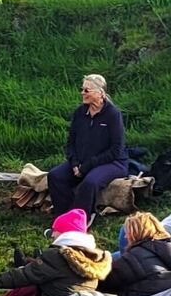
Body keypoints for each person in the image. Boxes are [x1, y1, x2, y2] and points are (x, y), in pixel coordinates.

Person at [0, 209, 112, 296]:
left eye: (55, 231)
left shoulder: (56, 256)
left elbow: (17, 278)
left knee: (25, 294)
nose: (52, 236)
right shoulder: (95, 257)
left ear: (64, 234)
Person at [47, 74, 128, 223]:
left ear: (100, 93)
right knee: (55, 176)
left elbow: (116, 149)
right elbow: (70, 142)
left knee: (89, 182)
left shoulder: (112, 115)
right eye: (82, 89)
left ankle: (79, 222)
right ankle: (64, 218)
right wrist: (74, 163)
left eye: (87, 90)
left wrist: (87, 167)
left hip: (112, 163)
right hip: (82, 161)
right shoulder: (79, 113)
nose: (82, 93)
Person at [99, 211, 171, 296]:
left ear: (135, 232)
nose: (125, 237)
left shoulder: (133, 258)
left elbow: (104, 282)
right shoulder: (166, 246)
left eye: (127, 233)